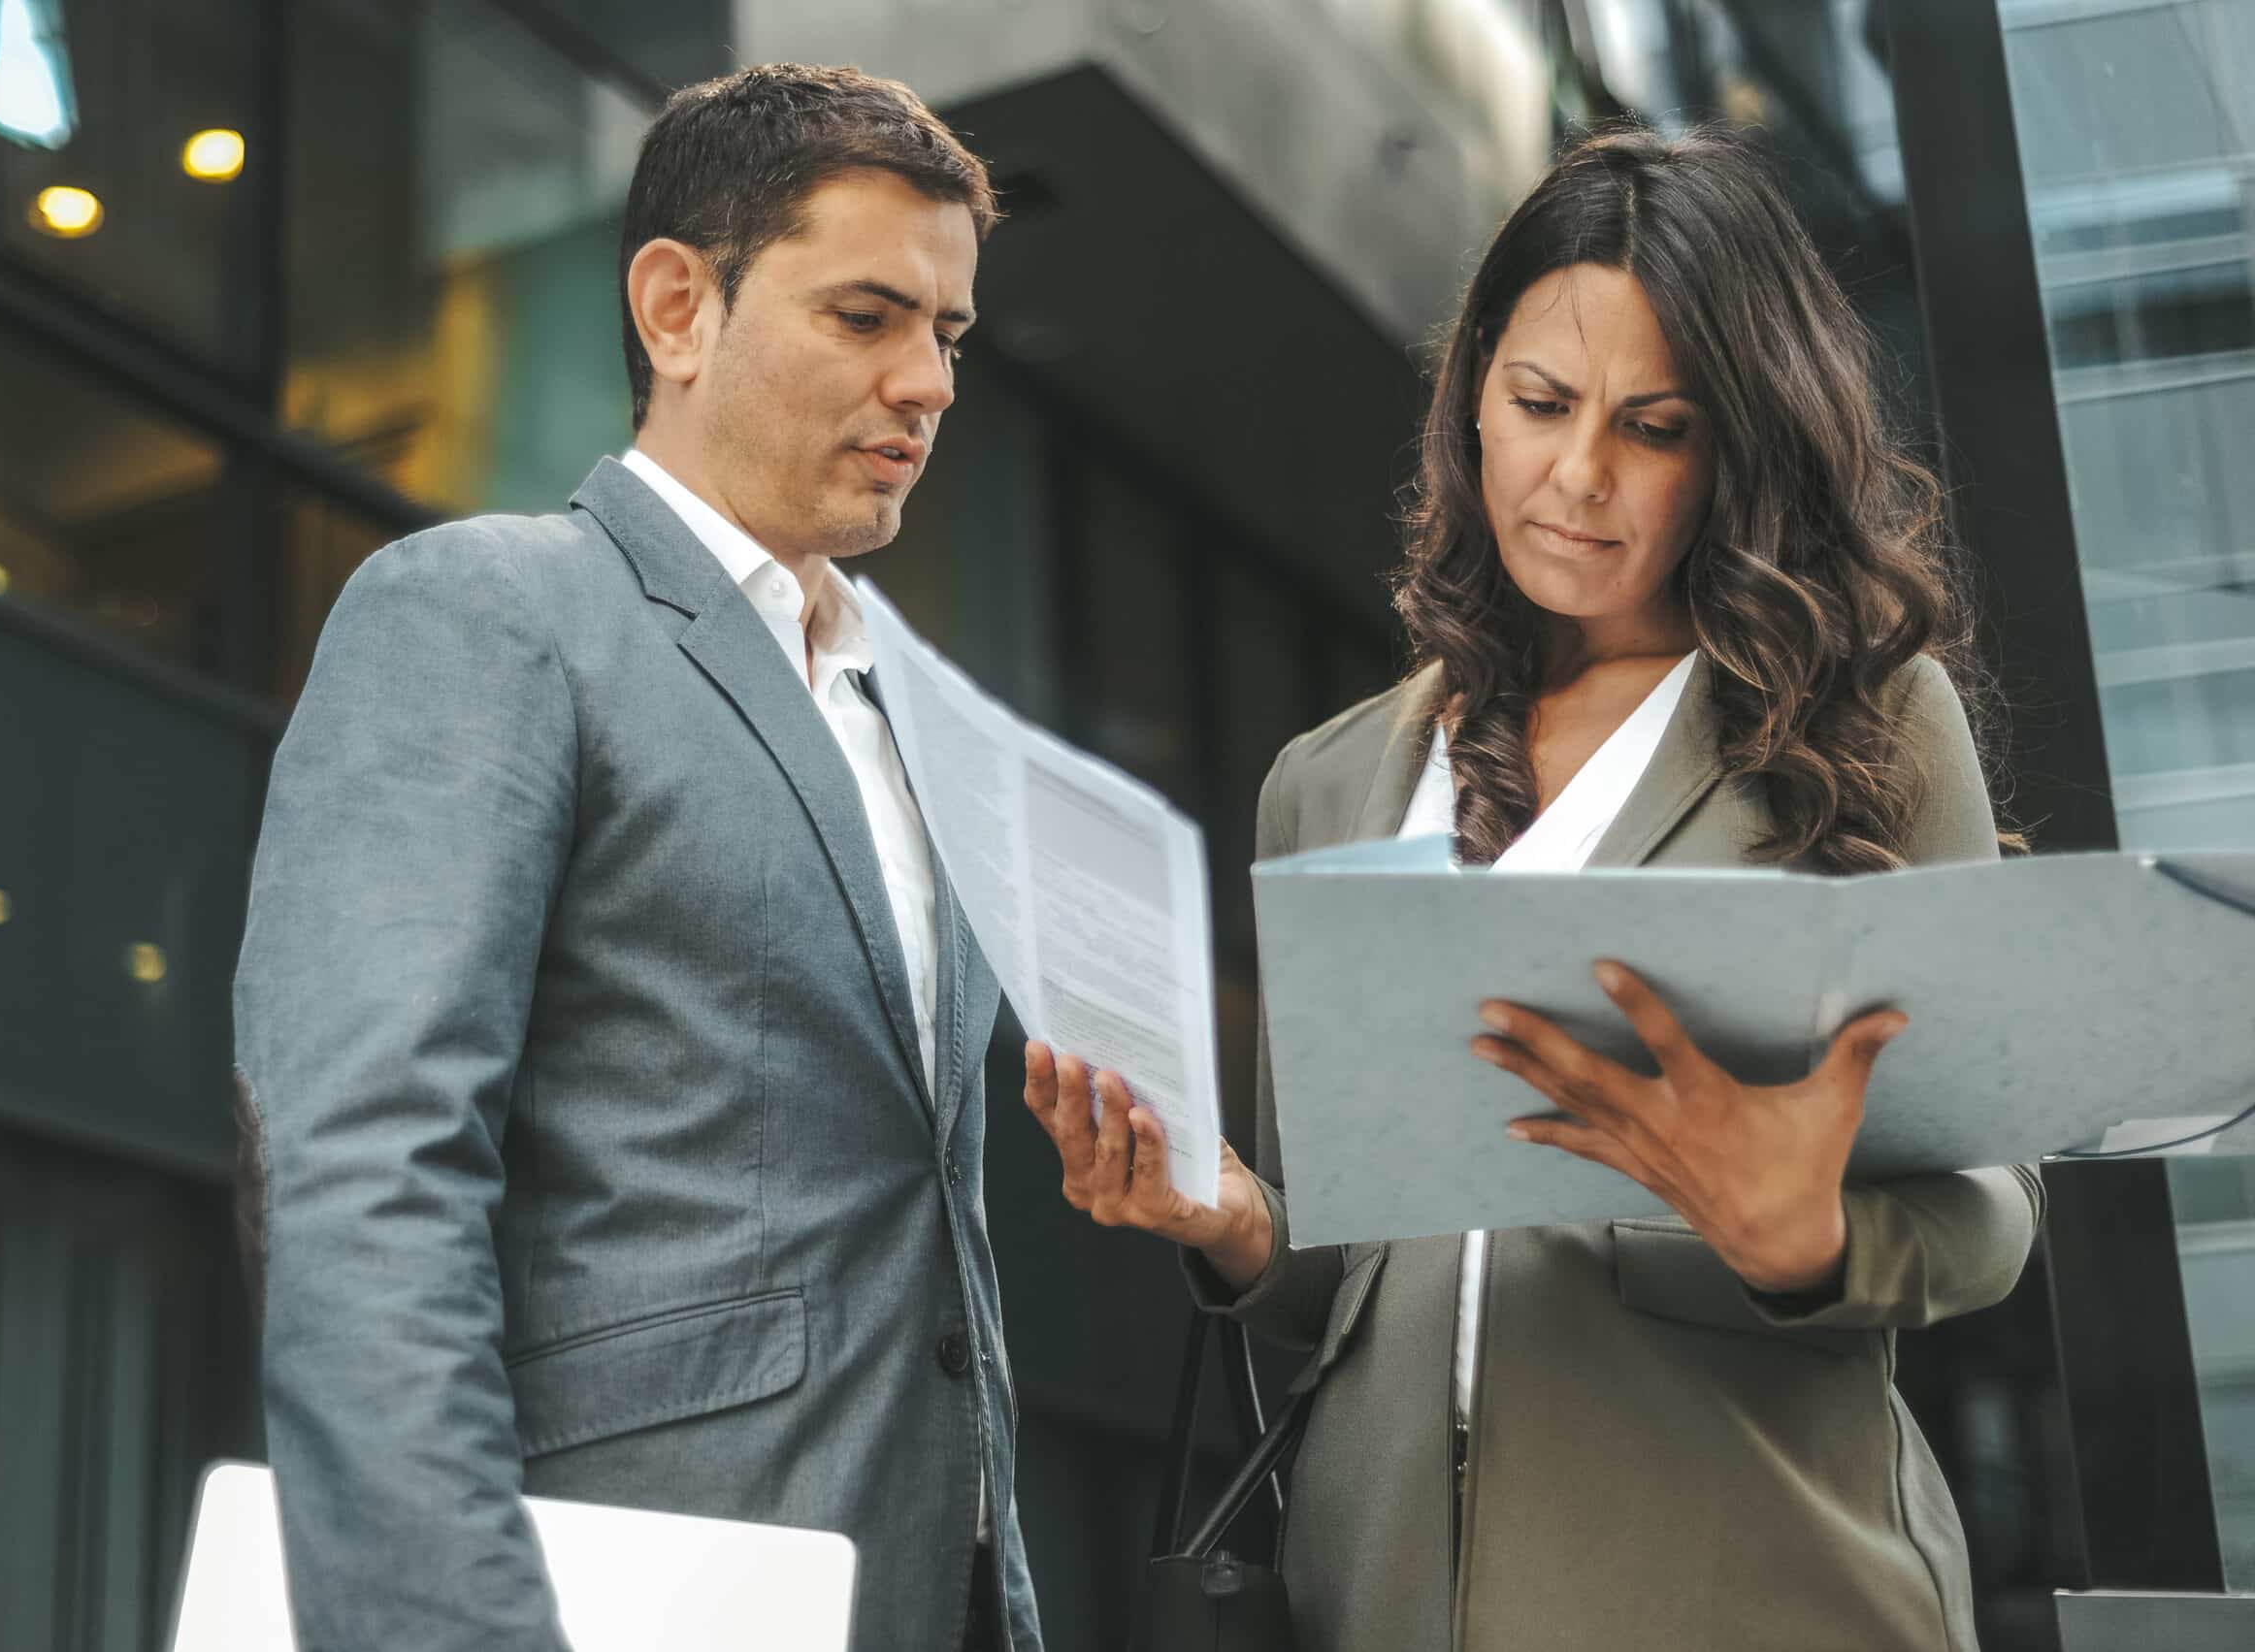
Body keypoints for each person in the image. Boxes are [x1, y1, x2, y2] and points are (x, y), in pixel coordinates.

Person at [1024, 127, 2042, 1651]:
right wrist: (1234, 1222)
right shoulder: (1334, 778)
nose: (1578, 477)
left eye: (1655, 425)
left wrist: (1803, 1235)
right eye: (1541, 404)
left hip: (1760, 1597)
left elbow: (1991, 1210)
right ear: (1472, 399)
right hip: (1383, 1612)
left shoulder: (1865, 726)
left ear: (1739, 444)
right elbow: (1362, 1278)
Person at [234, 64, 1038, 1652]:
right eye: (867, 317)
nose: (931, 383)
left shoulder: (924, 719)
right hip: (628, 1593)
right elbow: (361, 1179)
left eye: (947, 335)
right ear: (678, 309)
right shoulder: (489, 612)